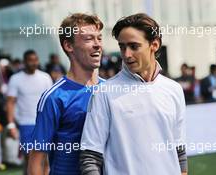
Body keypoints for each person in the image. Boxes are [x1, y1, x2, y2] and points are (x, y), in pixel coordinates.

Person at [80, 13, 187, 175]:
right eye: (122, 47)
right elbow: (90, 157)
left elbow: (179, 150)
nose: (126, 54)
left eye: (134, 46)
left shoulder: (174, 89)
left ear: (155, 44)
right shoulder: (104, 93)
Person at [28, 13, 104, 175]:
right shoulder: (54, 97)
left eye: (99, 38)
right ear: (69, 46)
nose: (97, 44)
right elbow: (37, 158)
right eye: (89, 39)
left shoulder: (111, 90)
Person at [6, 50, 53, 175]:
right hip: (25, 124)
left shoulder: (45, 77)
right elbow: (10, 102)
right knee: (30, 159)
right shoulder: (15, 79)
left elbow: (51, 101)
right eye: (30, 60)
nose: (33, 63)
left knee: (46, 160)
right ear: (24, 62)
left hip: (44, 124)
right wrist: (11, 125)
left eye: (35, 60)